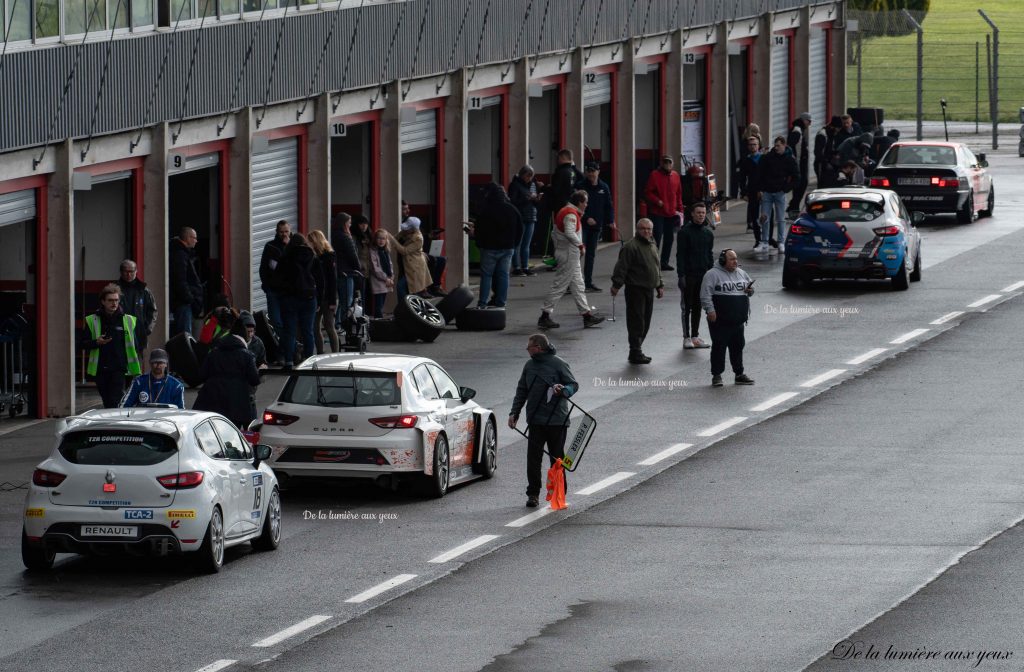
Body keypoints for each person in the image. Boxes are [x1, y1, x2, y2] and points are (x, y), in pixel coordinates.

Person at [508, 333, 579, 508]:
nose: (527, 350)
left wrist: (565, 390)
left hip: (556, 421)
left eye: (529, 347)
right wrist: (514, 413)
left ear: (538, 347)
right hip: (535, 421)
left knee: (557, 459)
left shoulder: (558, 363)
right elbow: (521, 390)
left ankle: (559, 493)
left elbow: (573, 384)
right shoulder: (529, 366)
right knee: (533, 459)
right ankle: (533, 494)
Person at [537, 190, 605, 330]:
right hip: (569, 253)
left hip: (567, 252)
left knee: (578, 285)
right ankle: (544, 316)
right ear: (579, 202)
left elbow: (557, 233)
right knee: (560, 285)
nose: (586, 205)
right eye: (585, 202)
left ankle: (586, 315)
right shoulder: (570, 214)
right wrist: (580, 245)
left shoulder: (566, 210)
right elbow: (569, 232)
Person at [193, 310, 261, 429]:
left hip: (212, 403)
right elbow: (254, 380)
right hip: (237, 407)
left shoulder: (214, 353)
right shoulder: (247, 355)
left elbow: (201, 376)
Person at [610, 218, 663, 364]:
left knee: (646, 321)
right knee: (636, 321)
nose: (646, 231)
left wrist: (660, 285)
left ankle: (637, 348)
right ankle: (635, 351)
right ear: (637, 230)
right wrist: (616, 285)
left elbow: (656, 266)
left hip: (649, 289)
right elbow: (622, 267)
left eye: (649, 229)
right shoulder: (630, 247)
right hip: (636, 289)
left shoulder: (652, 243)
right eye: (643, 229)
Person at [700, 249, 755, 388]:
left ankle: (739, 374)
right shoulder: (712, 275)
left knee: (737, 347)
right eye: (732, 259)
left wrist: (750, 291)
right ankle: (717, 375)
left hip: (738, 320)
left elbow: (750, 288)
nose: (735, 261)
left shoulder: (741, 273)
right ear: (723, 261)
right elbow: (705, 295)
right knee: (719, 347)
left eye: (736, 258)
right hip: (720, 321)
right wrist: (710, 310)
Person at [81, 284, 142, 408]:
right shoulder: (92, 320)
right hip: (100, 369)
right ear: (103, 301)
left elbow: (135, 345)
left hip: (120, 369)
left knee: (115, 402)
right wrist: (96, 342)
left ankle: (117, 425)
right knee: (107, 401)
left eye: (116, 300)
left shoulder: (128, 320)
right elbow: (81, 344)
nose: (114, 303)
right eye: (110, 300)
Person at [474, 183, 523, 309]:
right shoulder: (512, 209)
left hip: (489, 248)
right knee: (503, 275)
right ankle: (501, 302)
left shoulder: (486, 210)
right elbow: (520, 229)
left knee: (486, 275)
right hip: (508, 248)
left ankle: (482, 303)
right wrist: (515, 244)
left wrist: (479, 243)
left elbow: (479, 230)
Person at [278, 231, 319, 368]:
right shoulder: (312, 256)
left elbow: (278, 278)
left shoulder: (286, 257)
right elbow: (319, 278)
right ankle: (309, 359)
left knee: (290, 330)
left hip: (289, 298)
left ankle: (289, 360)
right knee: (308, 330)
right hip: (309, 297)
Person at [676, 202, 715, 350]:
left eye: (703, 213)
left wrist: (712, 274)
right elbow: (680, 255)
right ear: (692, 214)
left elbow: (710, 255)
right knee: (687, 307)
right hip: (689, 275)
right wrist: (681, 275)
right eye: (698, 212)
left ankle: (695, 336)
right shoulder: (684, 232)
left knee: (699, 306)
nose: (701, 215)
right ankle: (686, 337)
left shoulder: (708, 233)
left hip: (703, 275)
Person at [757, 136, 799, 255]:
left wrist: (786, 189)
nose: (776, 148)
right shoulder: (768, 158)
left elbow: (797, 177)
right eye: (775, 145)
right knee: (764, 218)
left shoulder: (789, 159)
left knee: (780, 219)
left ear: (784, 145)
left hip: (780, 192)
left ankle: (781, 242)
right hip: (767, 192)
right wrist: (761, 189)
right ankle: (764, 242)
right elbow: (760, 173)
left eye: (778, 146)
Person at [576, 162, 615, 291]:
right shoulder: (581, 186)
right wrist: (586, 218)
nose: (591, 174)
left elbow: (608, 206)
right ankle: (573, 283)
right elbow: (575, 206)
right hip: (582, 225)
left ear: (598, 172)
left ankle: (588, 282)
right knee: (578, 253)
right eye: (589, 171)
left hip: (596, 226)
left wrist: (611, 220)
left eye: (593, 171)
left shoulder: (604, 187)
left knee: (591, 255)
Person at [643, 155, 684, 271]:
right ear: (661, 163)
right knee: (656, 237)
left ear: (672, 164)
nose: (667, 165)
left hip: (671, 213)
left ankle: (664, 262)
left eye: (669, 162)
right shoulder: (654, 175)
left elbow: (679, 194)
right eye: (665, 162)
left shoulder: (675, 176)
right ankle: (653, 262)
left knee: (669, 239)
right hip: (657, 212)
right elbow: (647, 192)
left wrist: (680, 210)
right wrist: (657, 201)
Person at [384, 215, 432, 300]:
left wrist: (391, 238)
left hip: (414, 267)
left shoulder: (418, 238)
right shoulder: (405, 232)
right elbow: (395, 238)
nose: (405, 229)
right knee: (408, 289)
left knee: (403, 287)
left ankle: (406, 307)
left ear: (413, 229)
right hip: (405, 265)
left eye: (408, 228)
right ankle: (405, 308)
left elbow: (404, 251)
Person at [307, 229, 339, 354]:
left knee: (329, 326)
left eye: (310, 241)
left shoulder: (329, 256)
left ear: (315, 241)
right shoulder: (314, 257)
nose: (308, 244)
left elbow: (332, 280)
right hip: (317, 296)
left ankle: (335, 353)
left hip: (328, 297)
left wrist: (332, 301)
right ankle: (320, 353)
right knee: (315, 327)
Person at [115, 259, 156, 355]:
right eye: (126, 271)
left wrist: (148, 329)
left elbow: (153, 311)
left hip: (138, 334)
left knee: (136, 365)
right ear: (121, 272)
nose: (128, 275)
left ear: (136, 271)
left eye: (131, 271)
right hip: (119, 334)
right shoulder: (114, 289)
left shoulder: (144, 291)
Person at [169, 227, 204, 336]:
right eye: (194, 238)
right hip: (183, 303)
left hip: (185, 302)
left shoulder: (182, 253)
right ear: (188, 238)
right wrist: (190, 299)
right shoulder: (180, 255)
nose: (196, 241)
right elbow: (180, 280)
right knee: (184, 337)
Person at [508, 165, 542, 276]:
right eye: (528, 176)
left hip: (531, 215)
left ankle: (525, 266)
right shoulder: (515, 185)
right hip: (520, 216)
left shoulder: (533, 185)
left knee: (527, 244)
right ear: (522, 175)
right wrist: (527, 198)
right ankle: (517, 267)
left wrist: (536, 199)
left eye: (531, 176)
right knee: (518, 243)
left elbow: (535, 202)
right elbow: (512, 201)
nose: (530, 178)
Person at [258, 219, 290, 335]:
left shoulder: (293, 246)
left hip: (288, 291)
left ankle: (289, 347)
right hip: (273, 290)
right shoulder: (270, 246)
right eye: (281, 232)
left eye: (286, 231)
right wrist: (266, 285)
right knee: (276, 320)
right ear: (277, 232)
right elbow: (263, 267)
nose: (284, 234)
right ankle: (283, 344)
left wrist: (287, 246)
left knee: (288, 320)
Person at [331, 212, 362, 319]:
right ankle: (345, 326)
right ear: (344, 224)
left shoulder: (333, 235)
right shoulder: (345, 237)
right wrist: (359, 269)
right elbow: (353, 255)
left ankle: (338, 324)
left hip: (337, 272)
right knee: (347, 302)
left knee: (340, 300)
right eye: (349, 223)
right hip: (347, 273)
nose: (350, 225)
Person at [737, 135, 764, 250]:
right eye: (751, 145)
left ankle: (768, 239)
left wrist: (763, 190)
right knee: (754, 217)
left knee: (767, 217)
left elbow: (768, 176)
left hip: (765, 192)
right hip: (752, 192)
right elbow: (742, 178)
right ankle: (758, 240)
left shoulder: (764, 159)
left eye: (755, 144)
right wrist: (744, 193)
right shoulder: (746, 161)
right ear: (748, 147)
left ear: (758, 146)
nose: (753, 147)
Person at [787, 112, 812, 215]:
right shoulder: (797, 131)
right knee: (801, 184)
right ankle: (793, 207)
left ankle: (793, 207)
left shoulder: (799, 130)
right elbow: (791, 146)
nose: (809, 124)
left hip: (800, 162)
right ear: (804, 120)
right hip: (798, 163)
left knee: (801, 184)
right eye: (809, 121)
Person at [368, 229, 395, 317]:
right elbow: (376, 269)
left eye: (383, 239)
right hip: (378, 281)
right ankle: (378, 322)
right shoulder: (373, 251)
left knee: (382, 303)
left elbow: (390, 265)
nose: (381, 241)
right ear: (375, 239)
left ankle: (378, 322)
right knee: (378, 305)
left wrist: (391, 277)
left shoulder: (385, 251)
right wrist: (386, 278)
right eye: (379, 238)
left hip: (387, 281)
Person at [352, 215, 375, 303]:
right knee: (359, 293)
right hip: (359, 269)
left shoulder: (369, 236)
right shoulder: (354, 237)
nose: (364, 226)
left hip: (368, 269)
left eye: (366, 224)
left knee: (365, 293)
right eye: (361, 224)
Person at [813, 116, 842, 183]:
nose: (838, 131)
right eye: (838, 128)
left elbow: (829, 149)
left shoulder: (831, 135)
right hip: (821, 164)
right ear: (833, 127)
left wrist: (835, 153)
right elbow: (818, 152)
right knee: (822, 184)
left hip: (829, 163)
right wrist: (825, 163)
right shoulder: (822, 134)